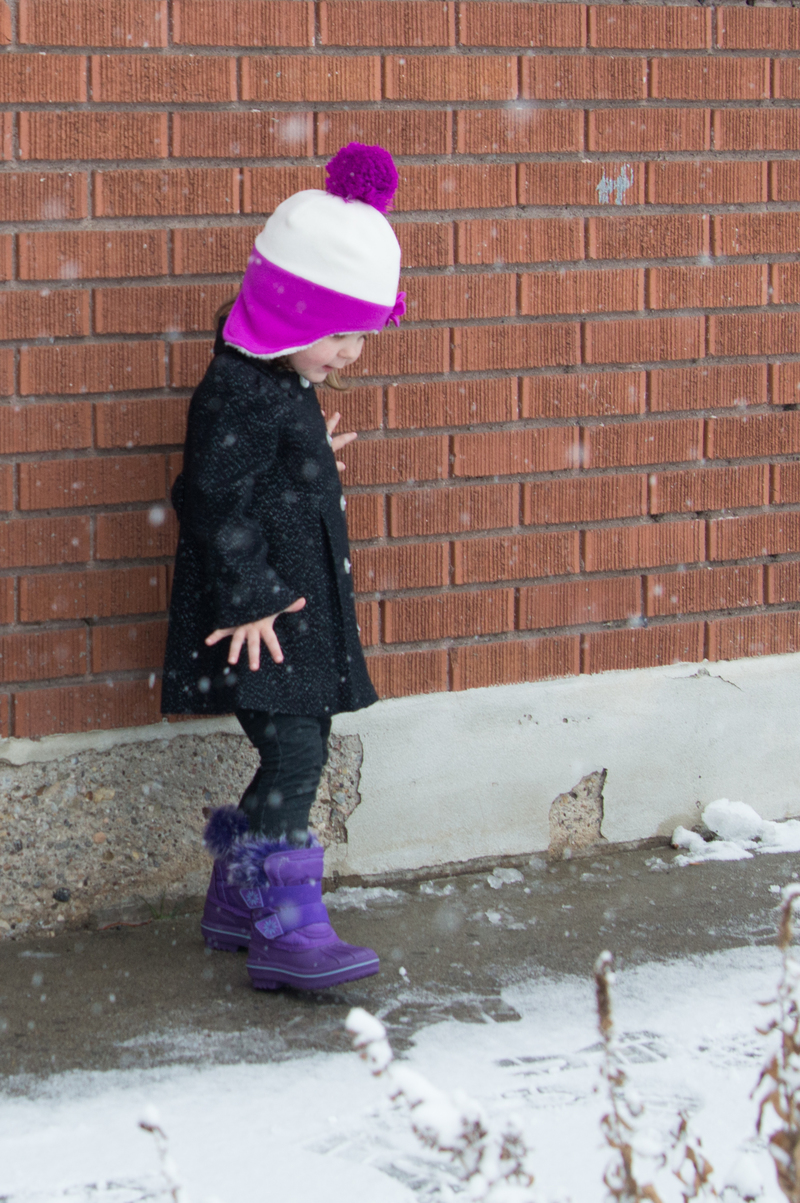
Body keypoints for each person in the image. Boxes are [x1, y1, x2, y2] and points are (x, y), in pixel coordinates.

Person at [161, 143, 405, 992]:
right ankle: (284, 925)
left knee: (300, 745)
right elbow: (210, 498)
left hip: (286, 617)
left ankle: (237, 899)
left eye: (361, 335)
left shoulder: (276, 386)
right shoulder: (237, 390)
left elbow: (256, 471)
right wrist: (253, 593)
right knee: (297, 753)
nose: (351, 353)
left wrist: (312, 454)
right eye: (339, 333)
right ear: (290, 315)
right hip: (258, 621)